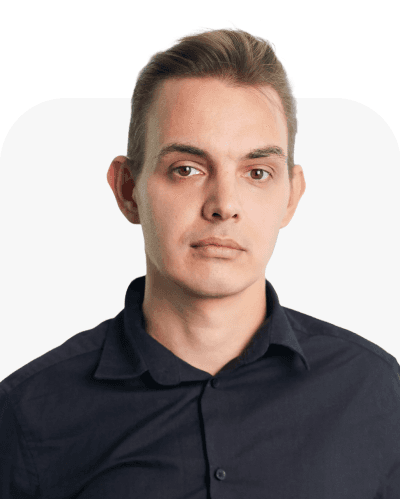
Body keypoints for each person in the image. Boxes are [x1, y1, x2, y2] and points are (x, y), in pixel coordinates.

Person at [0, 28, 399, 498]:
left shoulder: (376, 391)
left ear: (291, 196)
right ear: (128, 189)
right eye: (187, 169)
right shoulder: (27, 414)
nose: (224, 205)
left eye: (257, 172)